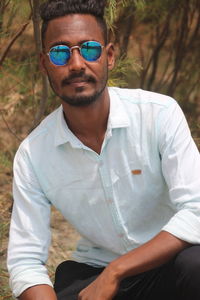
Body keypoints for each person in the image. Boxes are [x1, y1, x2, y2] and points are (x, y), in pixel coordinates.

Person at [7, 0, 200, 299]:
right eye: (60, 53)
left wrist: (117, 270)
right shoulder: (33, 155)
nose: (76, 64)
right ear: (44, 63)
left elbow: (196, 210)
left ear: (109, 56)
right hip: (95, 271)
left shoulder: (158, 114)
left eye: (90, 49)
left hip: (170, 259)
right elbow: (25, 261)